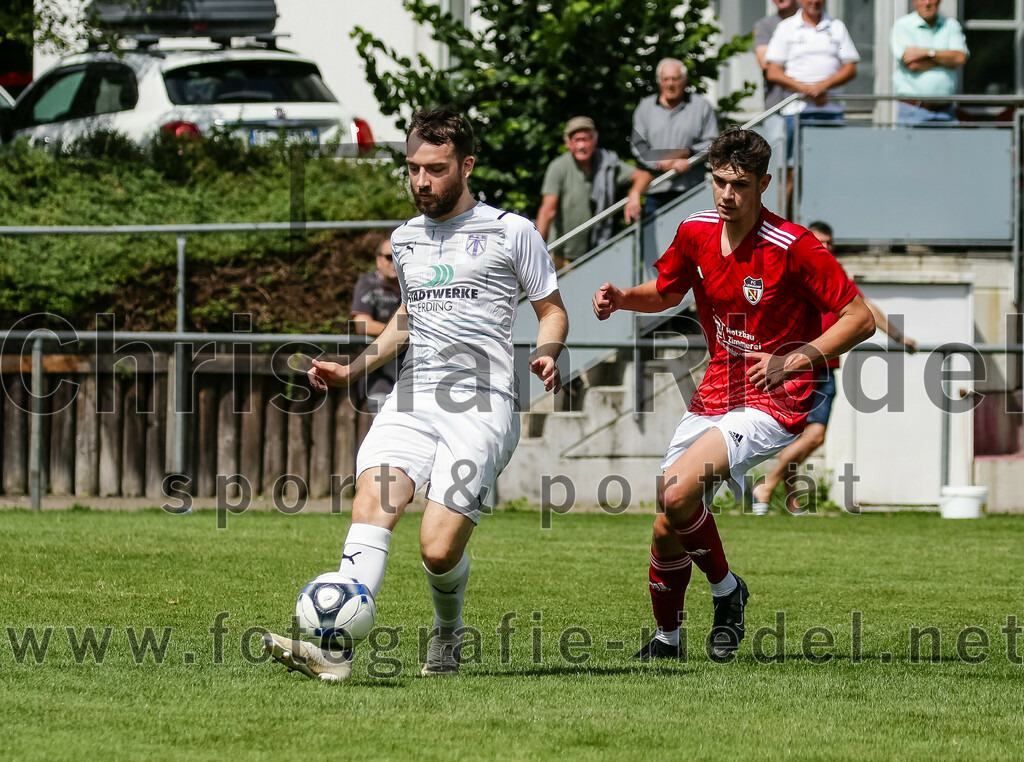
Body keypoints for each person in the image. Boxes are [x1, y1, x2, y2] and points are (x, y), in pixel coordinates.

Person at [263, 108, 569, 682]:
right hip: (413, 396)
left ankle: (448, 634)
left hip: (484, 401)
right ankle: (333, 652)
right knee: (372, 506)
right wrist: (353, 370)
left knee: (437, 549)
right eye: (412, 170)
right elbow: (406, 318)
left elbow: (551, 310)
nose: (421, 181)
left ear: (466, 165)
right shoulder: (405, 240)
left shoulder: (512, 231)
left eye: (435, 169)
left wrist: (548, 351)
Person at [592, 129, 875, 662]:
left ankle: (727, 591)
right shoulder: (695, 231)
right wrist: (624, 297)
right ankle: (668, 642)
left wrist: (795, 359)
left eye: (740, 185)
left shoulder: (795, 246)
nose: (727, 195)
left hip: (777, 398)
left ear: (764, 184)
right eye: (720, 182)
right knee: (666, 523)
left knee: (675, 494)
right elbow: (669, 292)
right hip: (717, 388)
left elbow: (859, 320)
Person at [751, 221, 918, 515]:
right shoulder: (795, 268)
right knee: (812, 436)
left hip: (826, 367)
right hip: (798, 367)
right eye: (820, 241)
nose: (825, 248)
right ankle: (767, 485)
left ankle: (791, 499)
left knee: (807, 436)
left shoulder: (834, 273)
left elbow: (865, 309)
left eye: (829, 243)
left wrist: (897, 336)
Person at [764, 0, 859, 210]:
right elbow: (773, 71)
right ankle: (784, 225)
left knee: (831, 173)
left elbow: (851, 67)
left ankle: (825, 225)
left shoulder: (836, 26)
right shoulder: (786, 27)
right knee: (790, 171)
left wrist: (823, 86)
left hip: (831, 112)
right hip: (796, 113)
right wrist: (805, 89)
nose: (814, 1)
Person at [536, 116, 652, 271]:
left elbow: (644, 176)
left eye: (586, 139)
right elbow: (547, 210)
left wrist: (634, 194)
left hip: (594, 254)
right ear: (568, 143)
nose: (582, 145)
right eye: (577, 140)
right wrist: (535, 248)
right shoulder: (558, 167)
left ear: (594, 140)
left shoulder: (607, 163)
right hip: (560, 256)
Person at [631, 58, 719, 213]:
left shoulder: (701, 106)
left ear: (684, 80)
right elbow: (638, 146)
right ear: (659, 82)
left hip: (691, 189)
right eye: (665, 79)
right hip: (655, 189)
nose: (670, 84)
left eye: (675, 78)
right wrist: (664, 161)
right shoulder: (645, 107)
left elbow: (713, 142)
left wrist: (688, 153)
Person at [891, 0, 968, 124]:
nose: (927, 3)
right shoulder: (903, 25)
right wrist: (946, 59)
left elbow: (959, 58)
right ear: (914, 1)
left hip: (946, 111)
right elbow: (912, 65)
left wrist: (927, 53)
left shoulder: (951, 25)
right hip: (914, 111)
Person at [350, 236, 404, 412]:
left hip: (411, 369)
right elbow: (362, 325)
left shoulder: (412, 284)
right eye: (389, 257)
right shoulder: (369, 283)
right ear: (378, 260)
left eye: (398, 257)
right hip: (379, 370)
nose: (393, 262)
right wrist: (403, 332)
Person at [753, 0, 800, 113]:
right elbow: (765, 63)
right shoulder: (764, 25)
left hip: (809, 104)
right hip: (776, 104)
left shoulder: (812, 22)